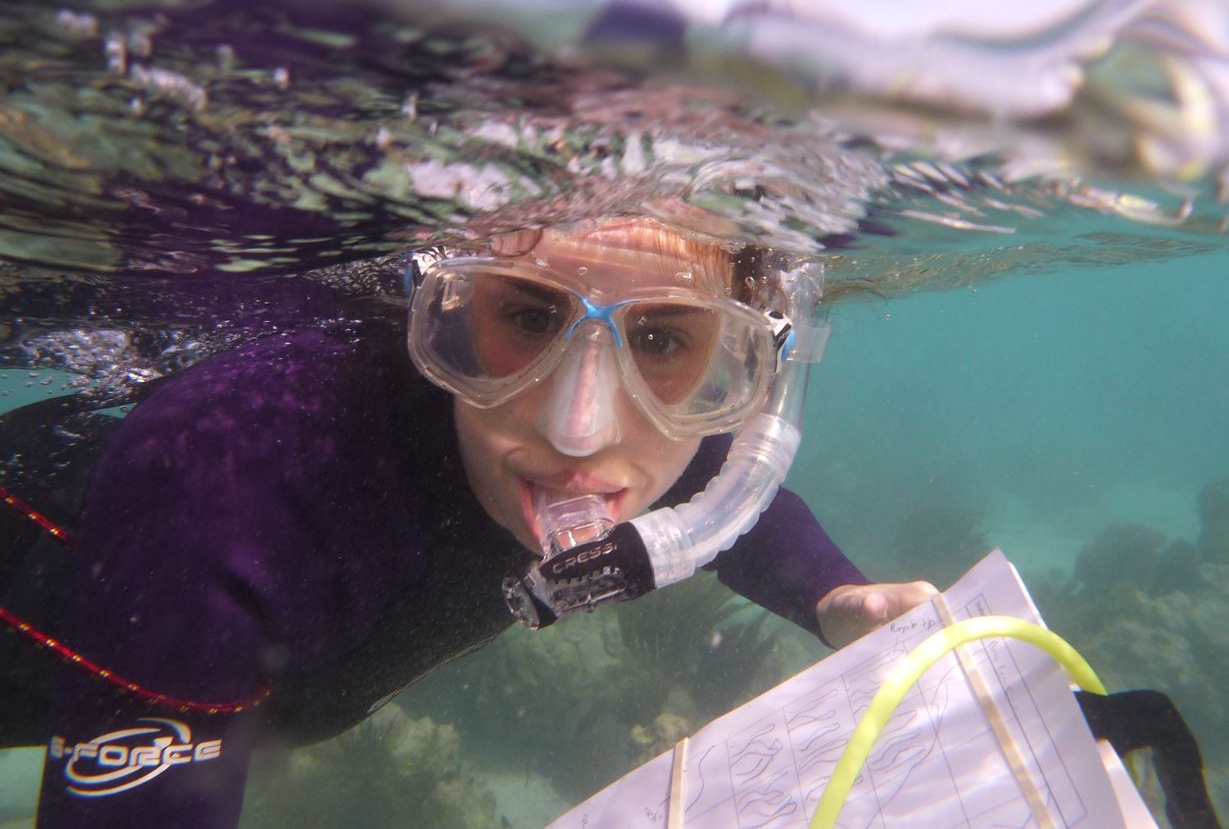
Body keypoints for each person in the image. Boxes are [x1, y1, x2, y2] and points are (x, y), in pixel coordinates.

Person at [0, 215, 935, 829]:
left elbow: (722, 494)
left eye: (659, 338)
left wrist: (833, 595)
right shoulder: (232, 468)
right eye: (527, 316)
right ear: (442, 308)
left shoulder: (667, 435)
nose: (581, 431)